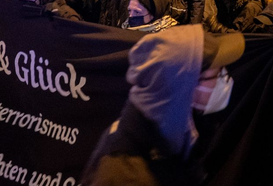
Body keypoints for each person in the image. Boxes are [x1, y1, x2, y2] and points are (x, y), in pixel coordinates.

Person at [83, 28, 245, 186]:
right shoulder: (123, 175)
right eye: (219, 74)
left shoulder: (177, 135)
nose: (225, 79)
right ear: (185, 87)